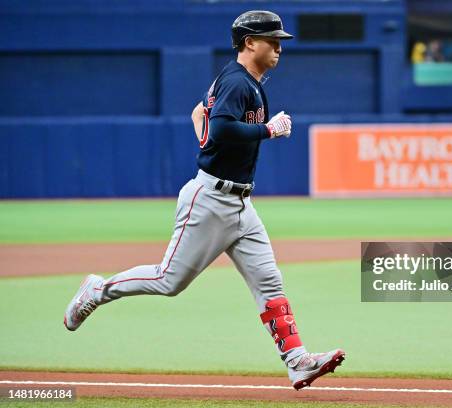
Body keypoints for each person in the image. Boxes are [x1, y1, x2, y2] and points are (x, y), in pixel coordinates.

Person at [63, 10, 345, 390]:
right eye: (271, 39)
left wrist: (210, 140)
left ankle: (297, 360)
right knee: (169, 280)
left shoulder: (243, 81)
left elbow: (200, 114)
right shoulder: (238, 82)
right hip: (211, 199)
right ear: (249, 43)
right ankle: (98, 290)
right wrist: (268, 129)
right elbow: (225, 127)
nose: (279, 46)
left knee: (269, 282)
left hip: (241, 204)